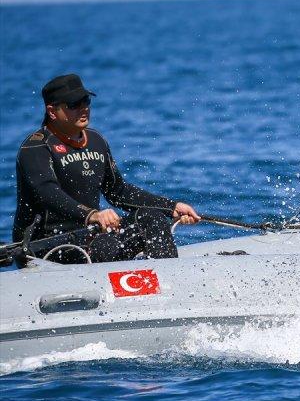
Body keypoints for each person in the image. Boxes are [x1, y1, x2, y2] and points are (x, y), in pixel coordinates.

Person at [12, 73, 200, 265]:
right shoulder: (35, 148)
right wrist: (91, 215)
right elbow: (47, 193)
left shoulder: (96, 141)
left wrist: (170, 207)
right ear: (52, 112)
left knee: (153, 219)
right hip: (47, 248)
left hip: (90, 237)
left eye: (85, 101)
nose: (83, 108)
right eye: (73, 104)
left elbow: (118, 192)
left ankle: (167, 280)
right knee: (106, 246)